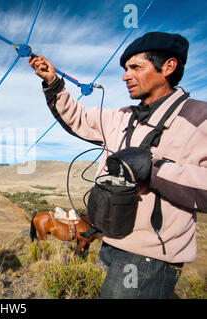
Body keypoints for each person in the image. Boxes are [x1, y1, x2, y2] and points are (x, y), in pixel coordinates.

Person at [29, 31, 207, 299]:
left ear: (168, 67)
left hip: (148, 258)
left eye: (136, 67)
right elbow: (77, 118)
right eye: (125, 68)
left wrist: (153, 169)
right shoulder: (122, 117)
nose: (125, 76)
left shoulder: (198, 118)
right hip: (111, 243)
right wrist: (53, 82)